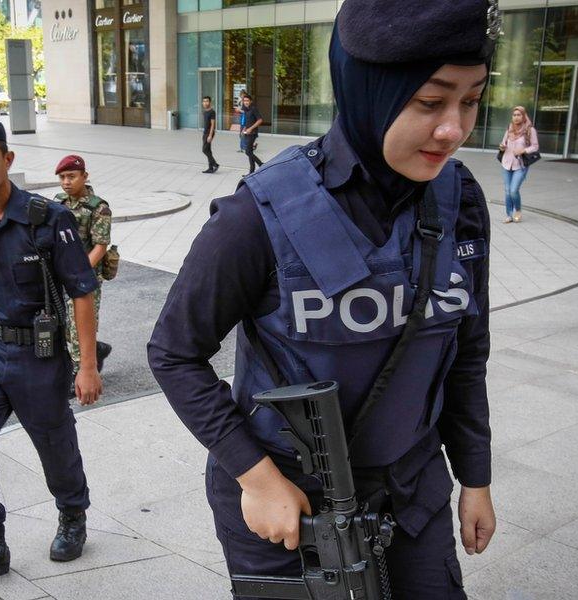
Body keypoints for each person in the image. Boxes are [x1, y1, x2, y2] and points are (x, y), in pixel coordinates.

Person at [147, 1, 498, 598]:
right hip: (292, 503)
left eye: (471, 100)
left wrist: (475, 477)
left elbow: (466, 349)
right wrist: (255, 477)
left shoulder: (457, 198)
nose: (454, 130)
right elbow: (174, 353)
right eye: (430, 102)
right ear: (370, 90)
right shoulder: (259, 213)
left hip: (415, 487)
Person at [0, 115, 103, 592]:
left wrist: (87, 366)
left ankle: (72, 515)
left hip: (40, 356)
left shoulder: (48, 218)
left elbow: (81, 291)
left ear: (7, 160)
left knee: (55, 446)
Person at [53, 154, 113, 389]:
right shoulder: (58, 202)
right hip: (62, 276)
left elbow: (100, 247)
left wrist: (77, 274)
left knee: (79, 325)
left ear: (84, 176)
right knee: (65, 324)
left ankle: (79, 375)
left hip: (86, 278)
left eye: (71, 176)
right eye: (62, 177)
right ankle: (96, 349)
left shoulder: (98, 208)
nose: (66, 182)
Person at [498, 106, 538, 223]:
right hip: (506, 162)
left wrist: (523, 150)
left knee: (513, 190)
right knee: (507, 190)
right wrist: (502, 146)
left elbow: (535, 146)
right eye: (514, 115)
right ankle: (509, 215)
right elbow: (503, 142)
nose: (516, 118)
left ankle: (518, 210)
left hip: (520, 164)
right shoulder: (509, 128)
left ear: (524, 116)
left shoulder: (530, 130)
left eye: (519, 115)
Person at [239, 93, 263, 175]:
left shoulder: (253, 109)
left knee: (248, 152)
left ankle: (261, 164)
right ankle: (251, 172)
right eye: (244, 101)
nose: (245, 102)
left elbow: (260, 120)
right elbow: (247, 121)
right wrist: (244, 128)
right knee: (250, 152)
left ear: (251, 101)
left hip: (252, 133)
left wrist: (250, 128)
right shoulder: (246, 110)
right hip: (247, 132)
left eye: (247, 101)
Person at [201, 96, 220, 174]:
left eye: (207, 101)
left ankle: (215, 164)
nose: (205, 103)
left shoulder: (212, 112)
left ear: (210, 102)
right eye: (204, 101)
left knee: (204, 150)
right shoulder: (205, 111)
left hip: (209, 133)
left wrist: (210, 135)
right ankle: (210, 168)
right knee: (208, 150)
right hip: (205, 132)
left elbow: (212, 124)